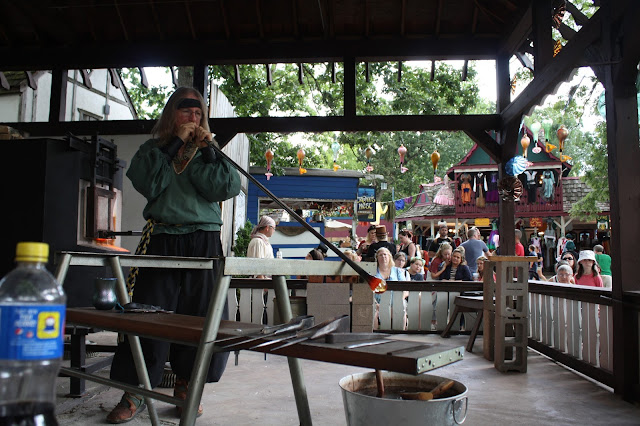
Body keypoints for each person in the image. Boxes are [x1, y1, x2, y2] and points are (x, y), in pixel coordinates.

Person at [107, 87, 241, 423]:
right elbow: (148, 183)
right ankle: (136, 390)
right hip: (163, 237)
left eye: (198, 114)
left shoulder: (212, 153)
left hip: (204, 240)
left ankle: (186, 387)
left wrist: (204, 152)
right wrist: (174, 146)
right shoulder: (153, 150)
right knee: (148, 314)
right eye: (186, 112)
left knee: (200, 317)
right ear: (172, 115)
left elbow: (224, 188)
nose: (193, 118)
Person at [373, 247, 408, 328]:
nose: (383, 257)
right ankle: (375, 335)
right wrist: (376, 304)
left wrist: (398, 301)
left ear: (389, 256)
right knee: (373, 312)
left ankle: (401, 334)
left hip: (396, 301)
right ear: (377, 258)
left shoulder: (397, 271)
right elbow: (369, 290)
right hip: (378, 302)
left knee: (401, 307)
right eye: (380, 255)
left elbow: (405, 289)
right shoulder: (373, 272)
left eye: (385, 254)